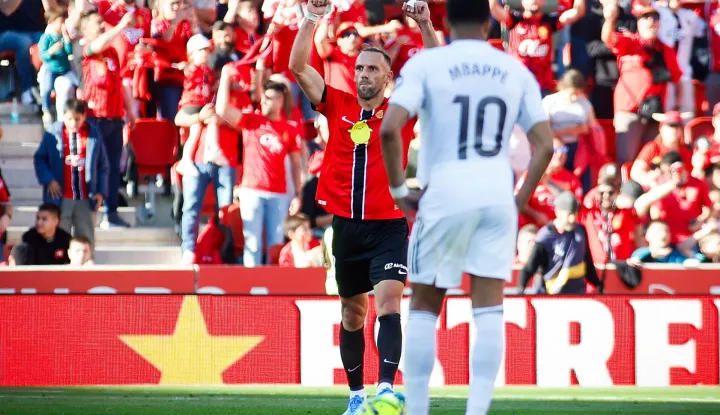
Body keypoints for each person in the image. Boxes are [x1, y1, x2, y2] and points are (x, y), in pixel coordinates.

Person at [378, 0, 553, 414]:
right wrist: (518, 202)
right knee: (489, 305)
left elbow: (388, 129)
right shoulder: (513, 69)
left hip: (446, 191)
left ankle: (418, 409)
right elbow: (544, 145)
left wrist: (401, 190)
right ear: (488, 20)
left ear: (446, 20)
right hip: (496, 194)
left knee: (423, 304)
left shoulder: (428, 65)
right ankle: (477, 410)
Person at [288, 0, 439, 413]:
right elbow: (298, 66)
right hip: (346, 228)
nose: (364, 74)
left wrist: (424, 23)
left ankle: (387, 387)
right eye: (359, 68)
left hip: (389, 225)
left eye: (373, 69)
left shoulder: (400, 111)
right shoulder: (335, 103)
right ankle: (356, 396)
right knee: (353, 314)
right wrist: (312, 19)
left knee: (390, 302)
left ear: (388, 78)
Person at [80, 10, 135, 228]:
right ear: (85, 29)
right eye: (96, 23)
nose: (102, 26)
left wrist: (130, 112)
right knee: (93, 166)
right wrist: (121, 26)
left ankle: (111, 213)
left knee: (113, 168)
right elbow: (97, 45)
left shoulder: (111, 52)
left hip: (114, 117)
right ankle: (89, 210)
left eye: (102, 23)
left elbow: (120, 83)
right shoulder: (86, 49)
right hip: (96, 118)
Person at [33, 99, 109, 246]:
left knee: (85, 237)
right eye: (69, 119)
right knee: (60, 237)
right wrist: (49, 179)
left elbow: (102, 166)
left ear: (84, 117)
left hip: (85, 197)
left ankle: (86, 264)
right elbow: (40, 158)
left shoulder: (93, 134)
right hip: (60, 196)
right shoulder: (53, 134)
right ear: (63, 116)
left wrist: (100, 191)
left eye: (77, 119)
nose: (73, 123)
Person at [519, 192, 602, 294]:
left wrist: (597, 284)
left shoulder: (580, 231)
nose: (572, 219)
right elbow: (531, 267)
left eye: (575, 214)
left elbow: (587, 261)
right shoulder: (545, 237)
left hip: (577, 294)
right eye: (569, 215)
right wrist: (521, 289)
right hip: (552, 294)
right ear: (557, 212)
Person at [38, 8, 74, 126]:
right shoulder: (46, 38)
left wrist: (67, 39)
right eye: (60, 22)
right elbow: (43, 55)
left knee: (75, 83)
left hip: (64, 69)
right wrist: (51, 51)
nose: (62, 24)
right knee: (47, 88)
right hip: (52, 68)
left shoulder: (62, 37)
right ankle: (46, 109)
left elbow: (69, 52)